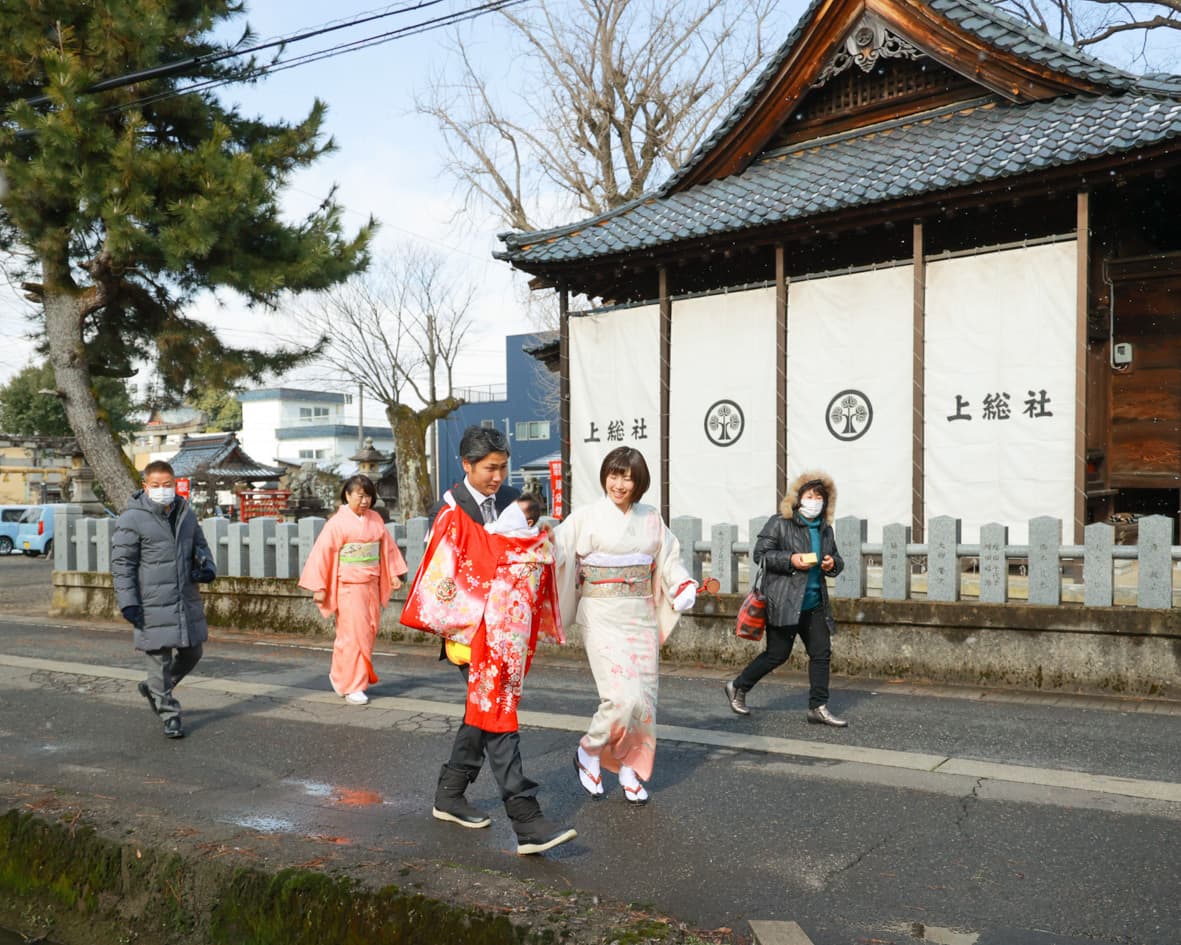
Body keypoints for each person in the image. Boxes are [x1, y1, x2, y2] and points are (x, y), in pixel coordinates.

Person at [403, 426, 576, 855]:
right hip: (470, 632)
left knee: (482, 711)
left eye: (502, 467)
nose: (498, 477)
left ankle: (450, 794)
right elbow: (443, 574)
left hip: (506, 631)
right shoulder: (449, 509)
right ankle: (526, 819)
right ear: (467, 465)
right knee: (498, 711)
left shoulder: (514, 500)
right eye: (490, 468)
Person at [552, 447, 697, 805]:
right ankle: (589, 749)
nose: (618, 484)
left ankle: (630, 768)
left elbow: (669, 559)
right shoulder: (585, 517)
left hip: (640, 616)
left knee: (643, 701)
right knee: (620, 697)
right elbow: (556, 549)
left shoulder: (651, 518)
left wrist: (682, 585)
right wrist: (529, 546)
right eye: (613, 475)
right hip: (600, 613)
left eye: (627, 478)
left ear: (639, 482)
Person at [724, 471, 848, 726]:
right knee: (777, 654)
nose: (814, 501)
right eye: (809, 496)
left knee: (821, 653)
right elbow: (761, 554)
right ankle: (738, 686)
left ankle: (818, 707)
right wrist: (791, 559)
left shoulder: (825, 529)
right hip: (784, 602)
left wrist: (832, 563)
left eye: (819, 498)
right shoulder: (780, 522)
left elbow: (837, 559)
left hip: (814, 602)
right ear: (798, 498)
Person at [112, 461, 217, 739]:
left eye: (167, 484)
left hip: (184, 598)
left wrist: (207, 569)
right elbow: (122, 564)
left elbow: (200, 546)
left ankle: (155, 688)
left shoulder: (186, 513)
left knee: (193, 653)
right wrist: (128, 602)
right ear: (145, 486)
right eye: (156, 485)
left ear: (175, 484)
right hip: (150, 601)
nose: (162, 489)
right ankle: (170, 715)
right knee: (159, 659)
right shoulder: (132, 518)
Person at [298, 475, 407, 705]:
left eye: (369, 496)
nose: (365, 501)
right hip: (348, 586)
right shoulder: (337, 523)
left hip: (371, 583)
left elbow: (386, 548)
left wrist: (393, 574)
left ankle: (340, 676)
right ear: (347, 496)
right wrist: (319, 586)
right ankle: (354, 685)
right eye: (360, 495)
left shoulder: (375, 519)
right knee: (354, 635)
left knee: (368, 630)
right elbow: (322, 554)